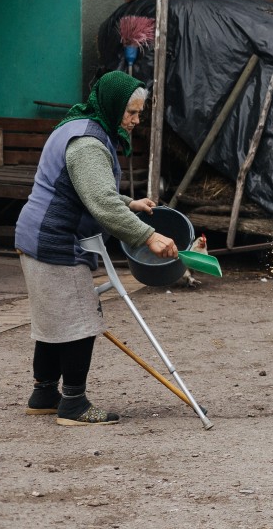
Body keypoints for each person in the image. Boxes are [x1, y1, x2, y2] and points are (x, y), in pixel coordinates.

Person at [14, 71, 178, 425]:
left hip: (35, 235)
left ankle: (43, 393)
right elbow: (100, 202)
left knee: (53, 319)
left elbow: (85, 189)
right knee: (80, 322)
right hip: (54, 241)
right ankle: (73, 405)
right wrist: (148, 236)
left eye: (139, 113)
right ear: (113, 105)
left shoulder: (79, 123)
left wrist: (127, 203)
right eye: (131, 113)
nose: (135, 120)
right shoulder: (89, 143)